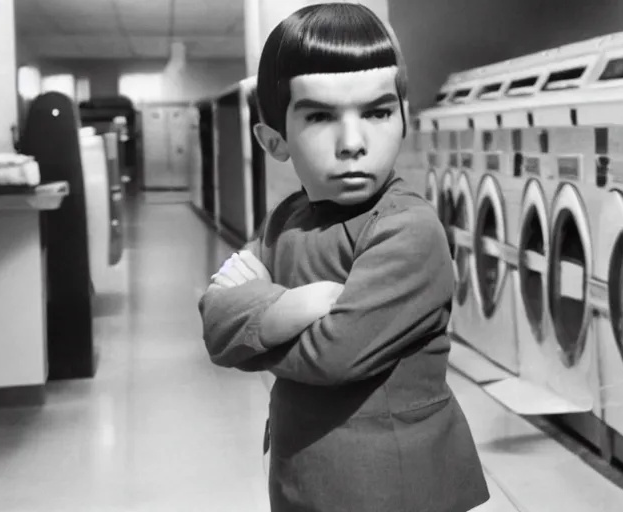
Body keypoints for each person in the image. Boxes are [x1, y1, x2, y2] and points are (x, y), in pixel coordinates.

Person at [198, 3, 490, 511]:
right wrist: (292, 306)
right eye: (320, 116)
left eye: (376, 112)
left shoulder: (408, 229)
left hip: (394, 485)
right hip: (303, 473)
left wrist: (254, 320)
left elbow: (334, 357)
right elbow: (215, 319)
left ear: (403, 118)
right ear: (274, 141)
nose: (353, 142)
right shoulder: (286, 218)